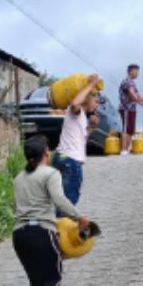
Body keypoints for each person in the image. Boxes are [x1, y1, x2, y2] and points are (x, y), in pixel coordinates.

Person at [13, 135, 90, 286]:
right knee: (54, 277)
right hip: (41, 232)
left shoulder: (19, 178)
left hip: (19, 236)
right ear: (46, 153)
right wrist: (79, 218)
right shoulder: (50, 173)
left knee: (36, 280)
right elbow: (60, 200)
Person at [52, 74, 102, 206]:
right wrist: (90, 85)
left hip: (62, 157)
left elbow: (80, 139)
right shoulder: (76, 110)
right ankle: (60, 225)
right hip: (70, 161)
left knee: (61, 200)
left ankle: (57, 224)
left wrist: (92, 127)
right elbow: (75, 103)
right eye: (96, 101)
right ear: (87, 98)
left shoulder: (81, 117)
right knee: (69, 201)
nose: (97, 105)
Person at [118, 64, 143, 153]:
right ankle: (123, 149)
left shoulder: (132, 82)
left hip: (132, 109)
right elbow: (131, 92)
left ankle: (128, 148)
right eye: (137, 71)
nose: (138, 74)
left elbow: (139, 95)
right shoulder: (126, 81)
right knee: (126, 129)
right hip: (126, 108)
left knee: (131, 130)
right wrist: (137, 100)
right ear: (131, 71)